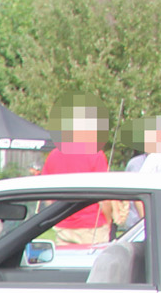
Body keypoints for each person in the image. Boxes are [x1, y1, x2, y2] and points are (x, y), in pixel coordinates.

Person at [41, 98, 111, 243]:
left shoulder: (54, 155)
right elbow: (104, 196)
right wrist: (109, 221)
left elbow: (48, 197)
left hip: (63, 225)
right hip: (91, 226)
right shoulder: (95, 154)